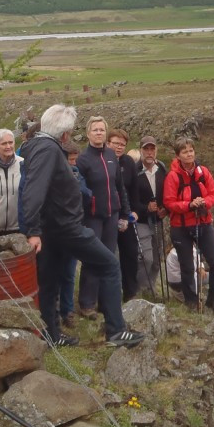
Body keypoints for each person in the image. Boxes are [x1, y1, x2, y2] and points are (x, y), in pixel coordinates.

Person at [19, 104, 144, 349]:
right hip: (64, 227)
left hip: (51, 227)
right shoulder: (48, 150)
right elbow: (34, 190)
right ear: (65, 134)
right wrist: (32, 231)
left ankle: (51, 334)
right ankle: (116, 331)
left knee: (49, 280)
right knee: (109, 264)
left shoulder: (38, 146)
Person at [163, 137, 214, 313]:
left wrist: (204, 202)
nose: (189, 154)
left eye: (191, 150)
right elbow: (169, 202)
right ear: (178, 156)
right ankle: (191, 303)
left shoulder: (203, 172)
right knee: (187, 267)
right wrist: (189, 205)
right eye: (185, 152)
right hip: (180, 227)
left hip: (203, 223)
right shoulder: (173, 176)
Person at [76, 116, 130, 319]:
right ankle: (87, 303)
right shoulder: (83, 159)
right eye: (95, 130)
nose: (99, 133)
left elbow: (119, 186)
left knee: (109, 258)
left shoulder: (110, 155)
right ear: (88, 133)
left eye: (101, 130)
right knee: (92, 258)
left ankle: (106, 302)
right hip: (92, 217)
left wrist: (124, 213)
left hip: (111, 215)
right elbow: (79, 191)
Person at [58, 141, 92, 328]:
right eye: (70, 160)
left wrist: (76, 182)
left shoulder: (77, 173)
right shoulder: (53, 175)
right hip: (56, 230)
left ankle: (68, 311)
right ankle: (54, 312)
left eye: (75, 160)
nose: (73, 163)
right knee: (55, 273)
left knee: (70, 273)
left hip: (74, 226)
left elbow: (87, 195)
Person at [131, 136, 168, 297]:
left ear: (156, 150)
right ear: (141, 150)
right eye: (146, 149)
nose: (149, 152)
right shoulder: (134, 170)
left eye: (152, 149)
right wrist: (146, 208)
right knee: (146, 258)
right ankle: (140, 289)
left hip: (158, 220)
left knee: (157, 258)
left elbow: (167, 193)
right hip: (141, 221)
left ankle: (150, 288)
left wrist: (165, 208)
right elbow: (131, 199)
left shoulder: (162, 168)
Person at [107, 128, 139, 301]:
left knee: (131, 253)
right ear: (108, 143)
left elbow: (134, 190)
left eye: (122, 144)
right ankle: (107, 295)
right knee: (109, 255)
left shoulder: (128, 162)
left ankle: (130, 292)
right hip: (107, 215)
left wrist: (134, 211)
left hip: (126, 215)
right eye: (116, 143)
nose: (119, 147)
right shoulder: (103, 159)